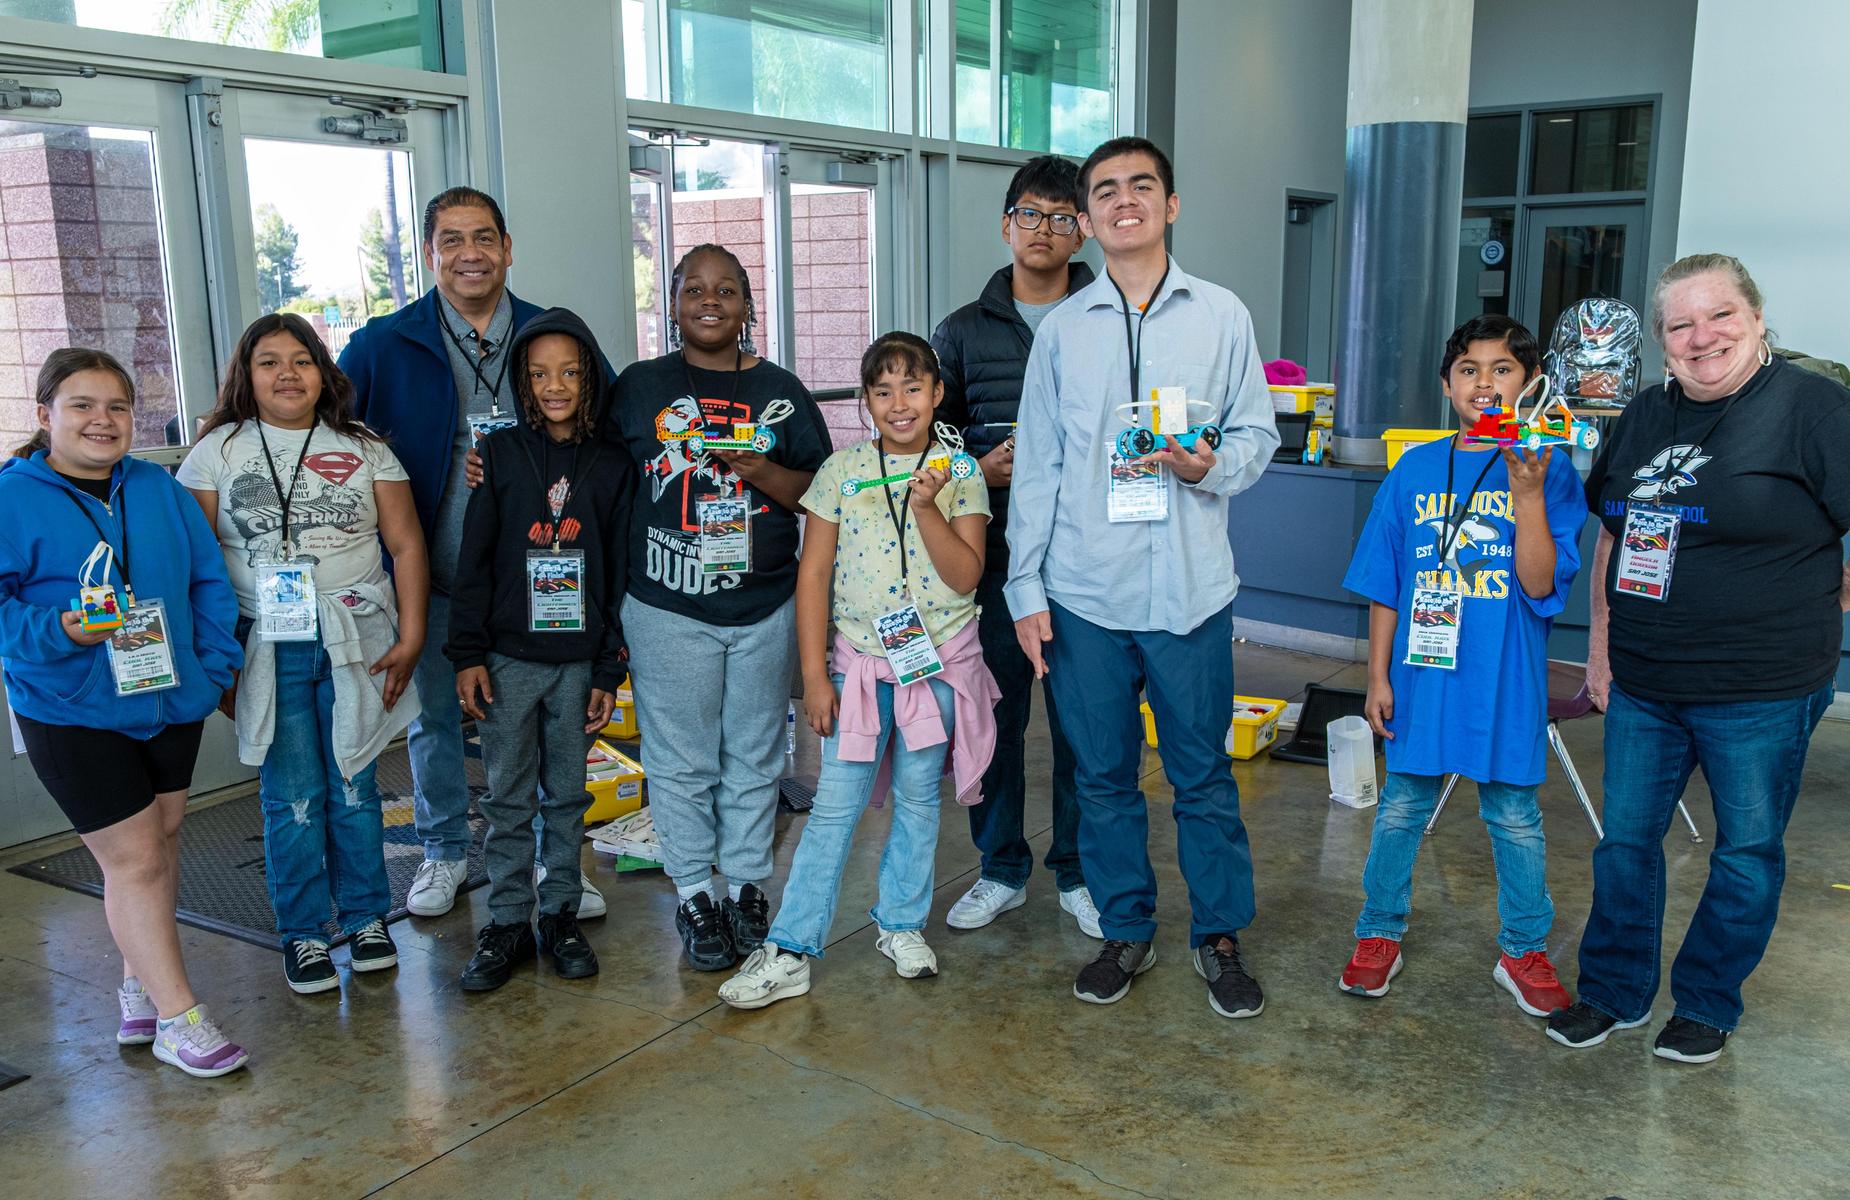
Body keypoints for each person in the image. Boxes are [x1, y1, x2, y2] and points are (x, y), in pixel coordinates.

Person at [1548, 254, 1850, 1064]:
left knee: (1745, 852)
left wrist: (1825, 600)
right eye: (1679, 324)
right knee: (1624, 846)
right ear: (1660, 341)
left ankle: (1708, 1003)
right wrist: (1602, 655)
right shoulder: (1644, 414)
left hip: (1762, 689)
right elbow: (1614, 534)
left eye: (1718, 315)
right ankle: (1614, 993)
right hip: (1646, 681)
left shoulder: (1815, 409)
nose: (1700, 336)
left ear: (1755, 318)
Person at [1004, 137, 1280, 1018]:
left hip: (1191, 592)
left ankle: (1219, 934)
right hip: (1085, 593)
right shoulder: (1060, 334)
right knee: (1103, 777)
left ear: (1171, 205)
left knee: (1203, 777)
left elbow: (1256, 435)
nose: (1126, 201)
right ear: (1085, 219)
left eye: (1143, 186)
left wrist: (1208, 468)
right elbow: (1039, 466)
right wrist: (1025, 590)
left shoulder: (1221, 316)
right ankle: (1127, 926)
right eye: (1106, 191)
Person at [340, 186, 607, 920]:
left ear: (508, 248)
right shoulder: (383, 345)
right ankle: (445, 850)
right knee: (433, 717)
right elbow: (327, 430)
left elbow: (604, 432)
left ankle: (563, 864)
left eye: (483, 237)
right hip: (434, 576)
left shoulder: (553, 339)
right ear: (430, 254)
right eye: (451, 240)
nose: (470, 254)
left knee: (553, 729)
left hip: (544, 586)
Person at [719, 332, 997, 1008]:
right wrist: (814, 676)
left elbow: (964, 576)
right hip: (859, 671)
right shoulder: (842, 473)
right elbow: (812, 574)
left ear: (936, 393)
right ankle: (788, 948)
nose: (899, 404)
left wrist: (926, 505)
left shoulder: (961, 472)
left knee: (917, 800)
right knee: (835, 806)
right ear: (865, 401)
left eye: (912, 387)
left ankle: (901, 924)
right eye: (882, 390)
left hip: (938, 669)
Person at [0, 349, 248, 1077]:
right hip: (69, 708)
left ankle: (141, 980)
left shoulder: (155, 486)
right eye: (81, 405)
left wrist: (211, 672)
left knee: (163, 838)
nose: (101, 421)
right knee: (135, 855)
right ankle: (179, 1019)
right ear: (46, 416)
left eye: (116, 406)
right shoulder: (13, 497)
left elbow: (209, 579)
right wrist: (64, 630)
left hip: (170, 695)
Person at [1338, 314, 1586, 1014]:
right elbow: (1386, 582)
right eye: (1469, 370)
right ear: (1447, 386)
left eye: (1502, 369)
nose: (1485, 382)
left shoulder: (1549, 467)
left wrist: (1529, 492)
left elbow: (1540, 585)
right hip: (1423, 669)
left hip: (1504, 675)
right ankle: (1378, 931)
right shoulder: (1415, 467)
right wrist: (1378, 676)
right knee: (1401, 807)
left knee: (1513, 815)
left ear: (1529, 383)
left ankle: (1524, 950)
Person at [178, 314, 428, 995]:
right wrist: (216, 659)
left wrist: (410, 635)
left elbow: (405, 545)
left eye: (301, 360)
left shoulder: (366, 446)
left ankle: (368, 917)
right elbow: (196, 565)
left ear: (324, 372)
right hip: (267, 642)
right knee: (292, 793)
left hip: (358, 637)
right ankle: (305, 933)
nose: (287, 373)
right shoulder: (217, 451)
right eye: (268, 362)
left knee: (354, 784)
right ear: (245, 375)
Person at [609, 245, 832, 972]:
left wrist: (759, 469)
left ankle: (744, 887)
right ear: (672, 302)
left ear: (747, 305)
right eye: (694, 289)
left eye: (727, 290)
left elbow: (822, 498)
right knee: (680, 763)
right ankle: (694, 893)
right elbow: (595, 479)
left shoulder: (781, 390)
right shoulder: (638, 388)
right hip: (667, 605)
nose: (711, 300)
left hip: (764, 604)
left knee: (756, 757)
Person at [932, 154, 1099, 938]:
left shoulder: (1111, 318)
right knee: (995, 719)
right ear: (1007, 226)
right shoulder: (963, 329)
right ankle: (1000, 867)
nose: (1044, 230)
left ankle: (1077, 871)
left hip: (1090, 562)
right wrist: (976, 463)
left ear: (1083, 231)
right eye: (1030, 214)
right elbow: (927, 441)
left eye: (1062, 217)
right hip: (992, 563)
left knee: (1082, 725)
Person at [447, 309, 635, 991]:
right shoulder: (497, 455)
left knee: (567, 794)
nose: (555, 385)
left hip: (579, 660)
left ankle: (559, 912)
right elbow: (474, 561)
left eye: (570, 372)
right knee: (506, 797)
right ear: (522, 384)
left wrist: (611, 665)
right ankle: (505, 922)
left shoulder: (613, 463)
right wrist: (468, 652)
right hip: (506, 660)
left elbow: (615, 571)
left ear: (590, 378)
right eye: (538, 374)